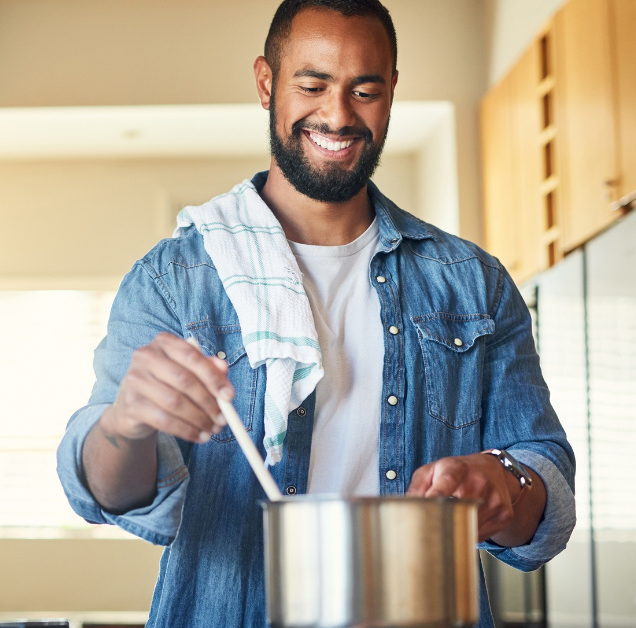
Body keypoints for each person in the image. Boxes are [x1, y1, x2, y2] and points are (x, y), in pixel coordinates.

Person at [56, 1, 575, 626]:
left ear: (391, 94)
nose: (338, 114)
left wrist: (503, 485)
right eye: (313, 84)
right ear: (266, 83)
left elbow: (545, 474)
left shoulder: (474, 284)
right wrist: (126, 423)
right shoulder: (175, 281)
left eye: (365, 90)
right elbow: (107, 495)